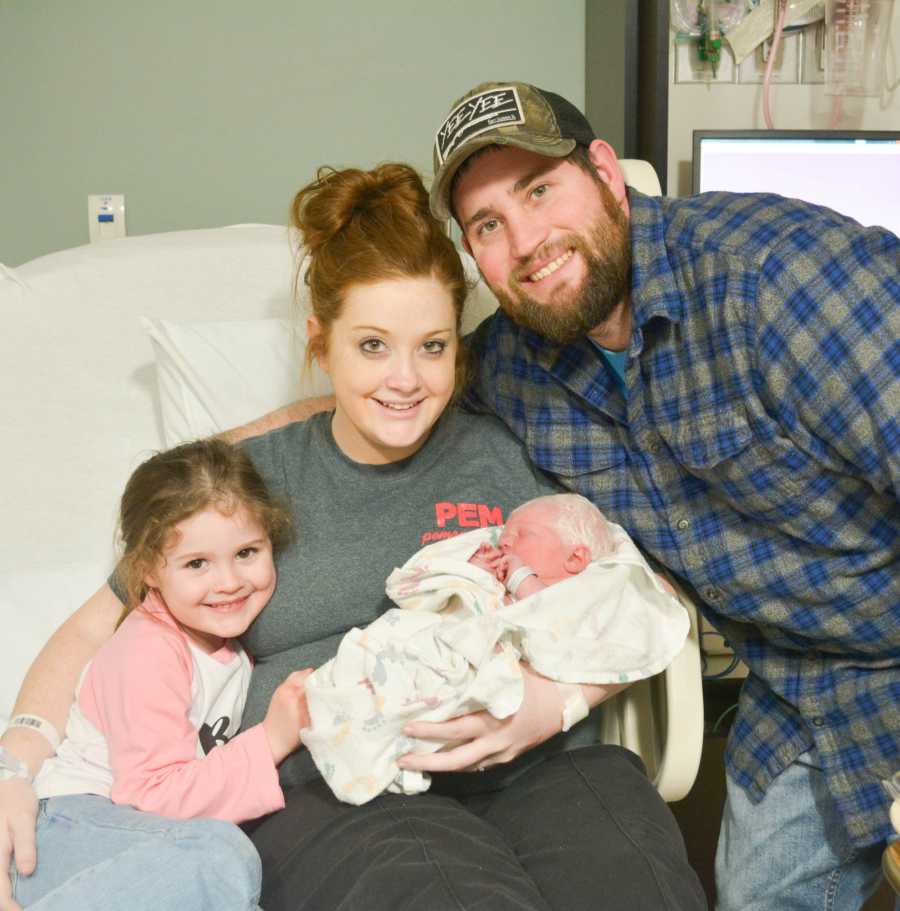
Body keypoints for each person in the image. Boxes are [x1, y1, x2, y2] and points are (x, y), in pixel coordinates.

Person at [0, 162, 705, 911]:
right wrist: (16, 764)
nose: (405, 378)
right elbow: (94, 624)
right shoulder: (239, 486)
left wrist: (557, 703)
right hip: (333, 788)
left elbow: (633, 594)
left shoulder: (510, 447)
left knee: (636, 883)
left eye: (432, 346)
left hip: (541, 762)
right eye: (372, 346)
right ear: (320, 341)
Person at [415, 80, 899, 911]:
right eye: (489, 224)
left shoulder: (779, 282)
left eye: (539, 189)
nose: (526, 241)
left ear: (606, 172)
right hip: (802, 693)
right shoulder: (519, 364)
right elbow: (394, 387)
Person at [9, 438, 312, 909]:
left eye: (247, 553)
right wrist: (272, 739)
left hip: (131, 836)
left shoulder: (223, 643)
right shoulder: (148, 649)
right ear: (149, 568)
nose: (229, 581)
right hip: (70, 824)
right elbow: (151, 793)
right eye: (197, 564)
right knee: (221, 855)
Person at [301, 492, 689, 805]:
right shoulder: (507, 573)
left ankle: (388, 739)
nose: (505, 540)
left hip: (511, 704)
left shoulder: (576, 595)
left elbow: (546, 617)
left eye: (523, 535)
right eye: (506, 535)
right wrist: (473, 570)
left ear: (576, 558)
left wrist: (519, 576)